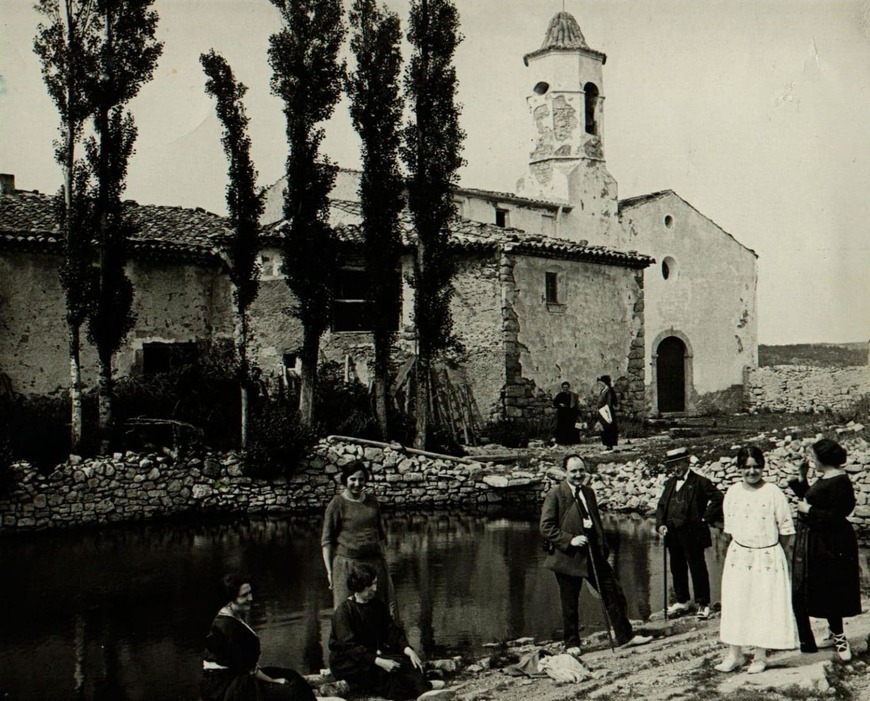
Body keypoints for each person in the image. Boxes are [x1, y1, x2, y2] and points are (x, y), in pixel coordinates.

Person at [540, 454, 653, 651]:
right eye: (573, 471)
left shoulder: (589, 492)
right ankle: (572, 644)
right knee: (570, 602)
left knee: (614, 593)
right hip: (568, 557)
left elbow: (596, 524)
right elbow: (546, 527)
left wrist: (603, 547)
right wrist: (570, 540)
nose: (578, 475)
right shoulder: (556, 494)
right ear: (565, 472)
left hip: (593, 554)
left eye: (581, 470)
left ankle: (625, 637)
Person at [715, 446, 799, 674]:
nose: (752, 472)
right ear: (739, 469)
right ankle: (735, 654)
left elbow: (786, 531)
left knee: (763, 605)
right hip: (739, 556)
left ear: (762, 467)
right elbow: (729, 530)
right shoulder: (732, 492)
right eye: (747, 467)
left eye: (756, 467)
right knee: (736, 604)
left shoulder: (773, 493)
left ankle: (760, 656)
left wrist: (769, 553)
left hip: (768, 557)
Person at [329, 563, 448, 701]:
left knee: (405, 662)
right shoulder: (343, 612)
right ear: (358, 586)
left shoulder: (377, 605)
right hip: (348, 660)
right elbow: (350, 647)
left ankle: (423, 690)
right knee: (381, 673)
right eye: (370, 585)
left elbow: (391, 631)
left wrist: (407, 649)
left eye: (375, 583)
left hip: (371, 653)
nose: (375, 588)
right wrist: (380, 661)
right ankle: (418, 692)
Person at [788, 438, 862, 660]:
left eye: (813, 457)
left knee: (833, 587)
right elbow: (811, 496)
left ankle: (840, 638)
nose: (812, 460)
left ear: (824, 459)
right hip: (819, 541)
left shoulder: (840, 482)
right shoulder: (827, 477)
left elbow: (837, 515)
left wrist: (809, 511)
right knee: (822, 586)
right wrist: (802, 477)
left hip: (833, 542)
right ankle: (833, 633)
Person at [201, 574, 316, 701]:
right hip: (225, 688)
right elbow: (248, 669)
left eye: (250, 593)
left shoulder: (234, 616)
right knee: (290, 691)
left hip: (238, 676)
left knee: (292, 676)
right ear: (229, 601)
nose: (251, 598)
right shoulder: (227, 627)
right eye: (244, 595)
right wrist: (274, 681)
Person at [322, 459, 399, 620]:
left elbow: (380, 534)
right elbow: (327, 541)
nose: (357, 484)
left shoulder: (372, 501)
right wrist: (330, 572)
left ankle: (383, 643)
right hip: (347, 565)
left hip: (374, 563)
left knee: (381, 609)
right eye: (353, 479)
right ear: (345, 480)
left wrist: (383, 562)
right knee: (346, 613)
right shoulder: (337, 504)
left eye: (361, 479)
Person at [654, 447, 724, 620]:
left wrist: (705, 518)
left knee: (697, 567)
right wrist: (660, 524)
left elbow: (719, 498)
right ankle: (682, 600)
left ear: (687, 463)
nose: (676, 468)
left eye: (678, 464)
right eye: (673, 466)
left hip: (692, 534)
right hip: (673, 533)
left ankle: (703, 603)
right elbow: (662, 505)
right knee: (677, 567)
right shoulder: (670, 483)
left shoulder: (700, 482)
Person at [596, 376, 619, 451]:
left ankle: (610, 444)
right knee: (605, 428)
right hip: (603, 410)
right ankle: (607, 444)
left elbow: (609, 402)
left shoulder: (609, 390)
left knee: (608, 427)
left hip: (607, 411)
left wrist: (606, 411)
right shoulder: (604, 390)